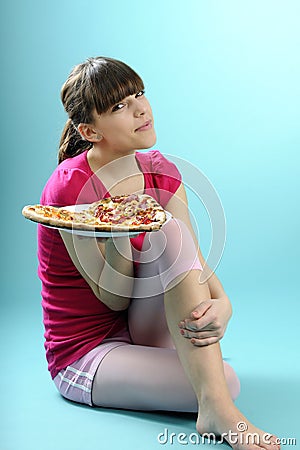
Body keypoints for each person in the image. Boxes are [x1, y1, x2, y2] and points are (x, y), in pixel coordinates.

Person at [37, 56, 280, 450]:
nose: (140, 108)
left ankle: (213, 403)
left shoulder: (161, 170)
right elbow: (113, 297)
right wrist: (117, 222)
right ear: (89, 130)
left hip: (144, 332)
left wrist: (223, 303)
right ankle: (216, 408)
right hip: (86, 353)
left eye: (139, 94)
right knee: (226, 381)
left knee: (170, 230)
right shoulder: (71, 190)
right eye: (118, 106)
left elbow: (190, 259)